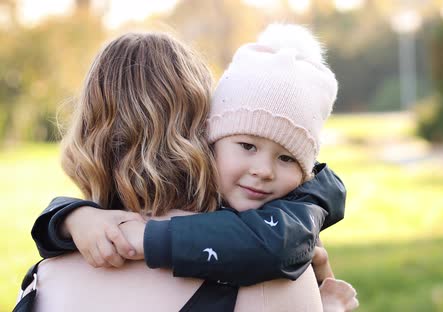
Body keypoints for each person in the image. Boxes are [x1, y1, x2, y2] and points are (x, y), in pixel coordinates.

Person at [19, 25, 358, 311]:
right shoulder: (270, 281)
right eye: (247, 145)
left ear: (85, 137)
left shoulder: (43, 281)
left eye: (286, 158)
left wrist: (70, 220)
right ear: (205, 136)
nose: (264, 170)